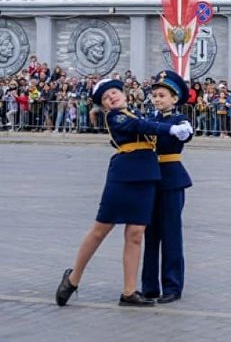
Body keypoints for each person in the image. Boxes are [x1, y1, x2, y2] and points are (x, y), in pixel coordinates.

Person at [55, 79, 193, 307]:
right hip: (124, 176)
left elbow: (155, 130)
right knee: (101, 229)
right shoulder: (117, 116)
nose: (111, 97)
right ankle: (73, 278)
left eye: (114, 92)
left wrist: (178, 128)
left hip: (148, 177)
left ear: (124, 93)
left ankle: (129, 292)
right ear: (104, 105)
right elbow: (141, 128)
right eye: (105, 97)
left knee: (137, 233)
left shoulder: (136, 113)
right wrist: (170, 128)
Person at [141, 70, 194, 304]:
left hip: (171, 179)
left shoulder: (179, 120)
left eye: (162, 95)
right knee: (150, 235)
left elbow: (186, 134)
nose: (157, 99)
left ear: (174, 98)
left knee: (171, 234)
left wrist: (184, 132)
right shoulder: (150, 120)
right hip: (150, 179)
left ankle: (173, 286)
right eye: (155, 95)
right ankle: (150, 286)